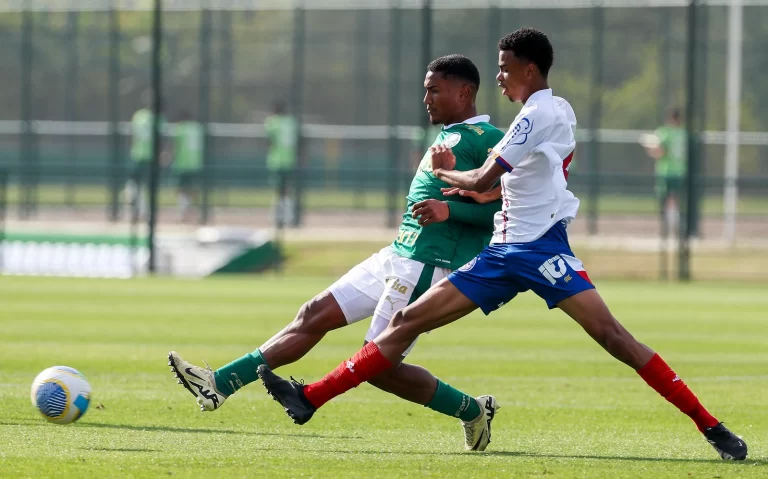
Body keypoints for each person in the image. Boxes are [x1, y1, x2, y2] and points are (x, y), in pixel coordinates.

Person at [258, 28, 748, 461]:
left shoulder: (531, 116)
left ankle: (710, 425)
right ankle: (311, 398)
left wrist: (444, 169)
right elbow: (529, 176)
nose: (498, 78)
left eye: (504, 68)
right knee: (405, 323)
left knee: (614, 338)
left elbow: (481, 175)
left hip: (540, 252)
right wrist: (485, 191)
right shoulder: (559, 109)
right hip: (500, 253)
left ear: (528, 69)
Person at [168, 55, 507, 451]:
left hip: (430, 264)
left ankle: (472, 410)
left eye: (435, 90)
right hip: (399, 253)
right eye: (425, 89)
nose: (426, 98)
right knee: (313, 313)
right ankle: (218, 384)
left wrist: (451, 210)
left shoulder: (487, 139)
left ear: (464, 92)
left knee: (379, 366)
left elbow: (504, 208)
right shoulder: (450, 133)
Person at [643, 108, 687, 237]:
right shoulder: (683, 133)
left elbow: (660, 151)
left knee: (666, 201)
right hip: (680, 171)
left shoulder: (666, 132)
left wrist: (649, 148)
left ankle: (669, 229)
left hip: (667, 171)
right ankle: (678, 226)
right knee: (677, 200)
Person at [128, 90, 165, 219]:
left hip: (151, 157)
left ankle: (146, 211)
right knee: (134, 184)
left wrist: (161, 153)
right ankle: (137, 209)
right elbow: (134, 136)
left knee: (149, 186)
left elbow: (161, 138)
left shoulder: (159, 118)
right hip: (138, 155)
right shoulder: (138, 116)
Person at [264, 101, 299, 228]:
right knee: (286, 190)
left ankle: (280, 217)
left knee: (279, 190)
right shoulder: (291, 122)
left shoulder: (273, 122)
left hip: (277, 161)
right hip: (290, 160)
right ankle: (288, 217)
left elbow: (269, 140)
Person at [170, 110, 204, 222]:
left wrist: (171, 156)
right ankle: (193, 211)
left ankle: (184, 213)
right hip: (195, 163)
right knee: (192, 189)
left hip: (183, 164)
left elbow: (176, 146)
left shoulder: (181, 128)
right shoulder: (197, 128)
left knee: (181, 189)